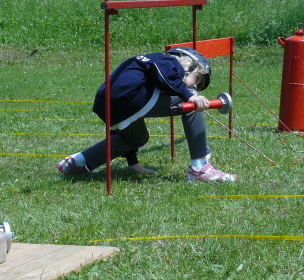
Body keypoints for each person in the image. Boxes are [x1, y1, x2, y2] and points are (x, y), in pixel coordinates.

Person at [56, 47, 237, 183]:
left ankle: (78, 162)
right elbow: (164, 73)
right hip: (129, 100)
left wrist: (133, 162)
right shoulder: (168, 61)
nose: (195, 85)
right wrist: (190, 96)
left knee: (138, 138)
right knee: (193, 101)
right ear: (188, 64)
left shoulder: (146, 66)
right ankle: (200, 168)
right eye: (197, 79)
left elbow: (118, 123)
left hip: (107, 105)